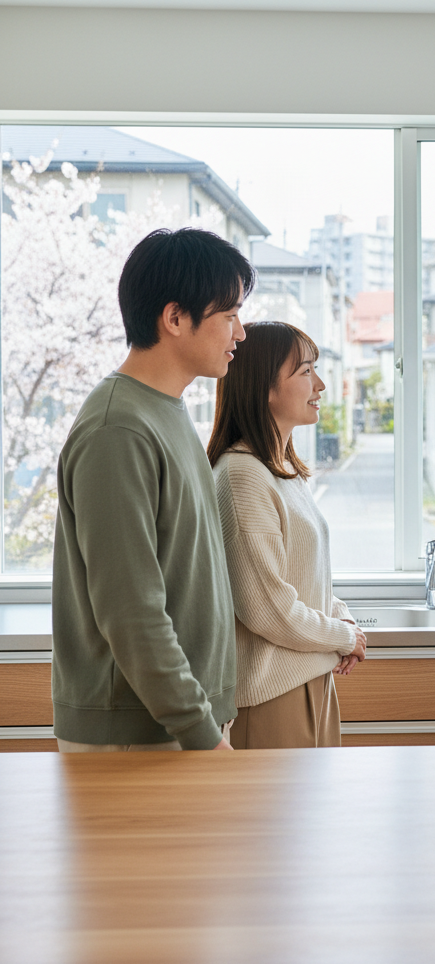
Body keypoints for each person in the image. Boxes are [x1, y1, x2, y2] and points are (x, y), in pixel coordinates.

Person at [51, 228, 254, 752]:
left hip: (178, 724)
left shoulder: (165, 409)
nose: (240, 333)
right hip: (141, 732)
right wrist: (202, 735)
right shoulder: (118, 428)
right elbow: (130, 611)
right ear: (175, 318)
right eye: (229, 315)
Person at [208, 322, 366, 748]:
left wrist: (344, 617)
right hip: (272, 698)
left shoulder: (282, 470)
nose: (321, 385)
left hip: (311, 681)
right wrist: (344, 636)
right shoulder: (242, 475)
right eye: (305, 371)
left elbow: (304, 578)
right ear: (265, 387)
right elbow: (269, 609)